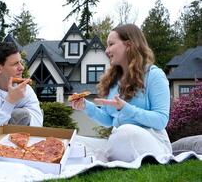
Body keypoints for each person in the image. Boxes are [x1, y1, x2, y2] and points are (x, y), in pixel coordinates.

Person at [71, 24, 172, 162]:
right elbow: (109, 120)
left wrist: (126, 108)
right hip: (118, 140)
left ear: (129, 45)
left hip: (152, 141)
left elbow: (161, 120)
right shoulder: (113, 80)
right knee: (73, 141)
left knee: (126, 132)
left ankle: (102, 157)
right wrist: (85, 106)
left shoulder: (154, 75)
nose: (107, 50)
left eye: (111, 44)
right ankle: (105, 156)